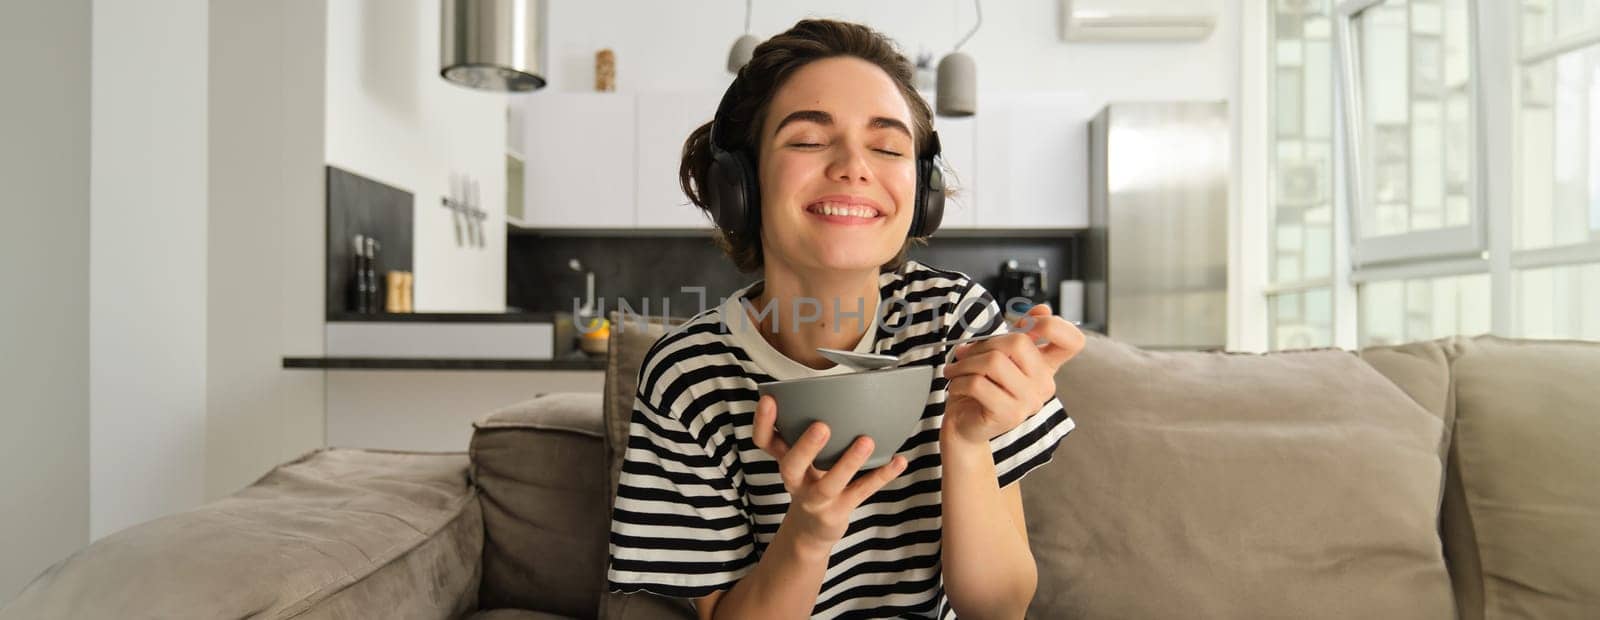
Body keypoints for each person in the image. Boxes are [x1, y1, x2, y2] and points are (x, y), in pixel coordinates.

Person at [605, 18, 1084, 620]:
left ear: (923, 192)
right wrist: (809, 530)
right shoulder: (689, 375)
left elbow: (998, 609)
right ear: (741, 183)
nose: (856, 166)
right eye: (808, 140)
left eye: (888, 147)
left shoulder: (953, 320)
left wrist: (965, 439)